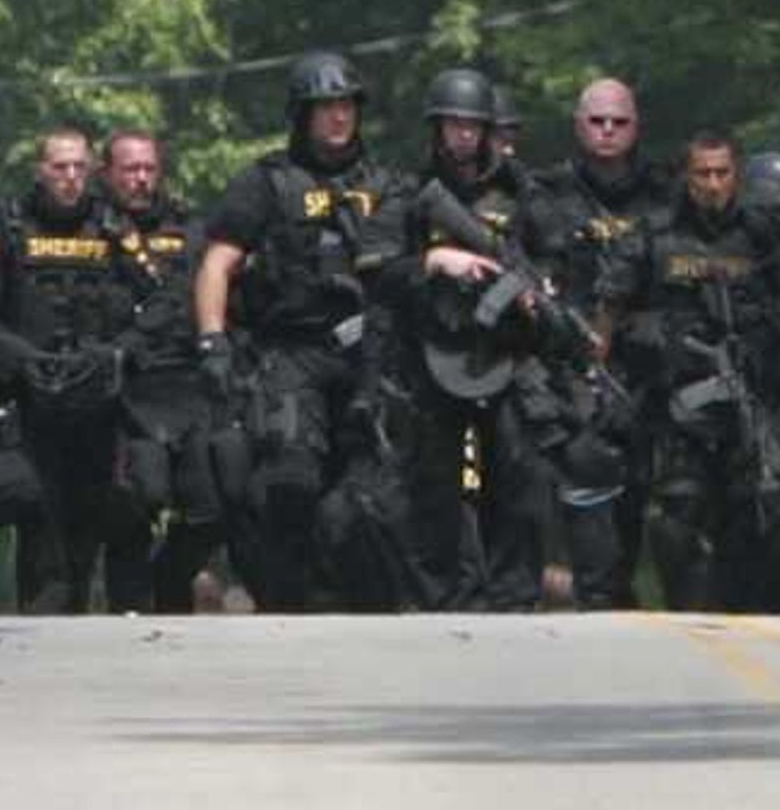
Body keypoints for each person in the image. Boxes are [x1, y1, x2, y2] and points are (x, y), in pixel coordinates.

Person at [192, 50, 404, 613]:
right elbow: (217, 263)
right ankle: (284, 600)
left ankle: (362, 599)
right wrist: (212, 341)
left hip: (371, 355)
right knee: (290, 477)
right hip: (292, 351)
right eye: (325, 108)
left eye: (346, 106)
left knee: (371, 493)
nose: (338, 118)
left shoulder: (387, 182)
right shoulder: (268, 182)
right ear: (302, 114)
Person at [614, 129, 780, 612]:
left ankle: (748, 612)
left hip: (754, 399)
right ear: (685, 177)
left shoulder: (764, 235)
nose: (712, 184)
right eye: (702, 174)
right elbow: (611, 313)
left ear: (737, 175)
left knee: (775, 508)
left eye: (722, 173)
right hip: (680, 406)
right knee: (676, 516)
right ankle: (690, 616)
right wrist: (651, 338)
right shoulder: (656, 234)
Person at [0, 126, 152, 614]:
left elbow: (162, 302)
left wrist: (113, 354)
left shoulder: (114, 228)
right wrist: (20, 358)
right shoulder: (7, 228)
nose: (69, 177)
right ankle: (41, 621)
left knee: (94, 516)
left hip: (95, 401)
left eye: (79, 167)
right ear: (41, 171)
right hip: (29, 400)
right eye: (59, 167)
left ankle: (76, 627)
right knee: (33, 511)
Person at [385, 67, 562, 609]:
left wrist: (537, 291)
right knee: (433, 483)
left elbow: (554, 257)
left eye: (473, 125)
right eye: (453, 124)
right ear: (436, 129)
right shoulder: (411, 193)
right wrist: (435, 261)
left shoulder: (521, 192)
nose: (463, 135)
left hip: (506, 353)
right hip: (435, 350)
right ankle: (440, 597)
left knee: (521, 472)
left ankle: (513, 595)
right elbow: (379, 273)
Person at [511, 76, 667, 608]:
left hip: (643, 364)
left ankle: (618, 588)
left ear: (636, 127)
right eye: (596, 121)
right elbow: (517, 265)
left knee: (640, 487)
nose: (607, 131)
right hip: (565, 362)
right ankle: (592, 594)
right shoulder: (542, 192)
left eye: (618, 122)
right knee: (575, 473)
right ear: (578, 126)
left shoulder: (663, 194)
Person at [99, 129, 227, 612]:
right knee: (137, 500)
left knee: (210, 508)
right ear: (107, 173)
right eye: (130, 169)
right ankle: (127, 609)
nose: (141, 179)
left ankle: (170, 580)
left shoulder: (188, 229)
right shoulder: (92, 232)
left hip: (187, 385)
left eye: (149, 168)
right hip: (124, 388)